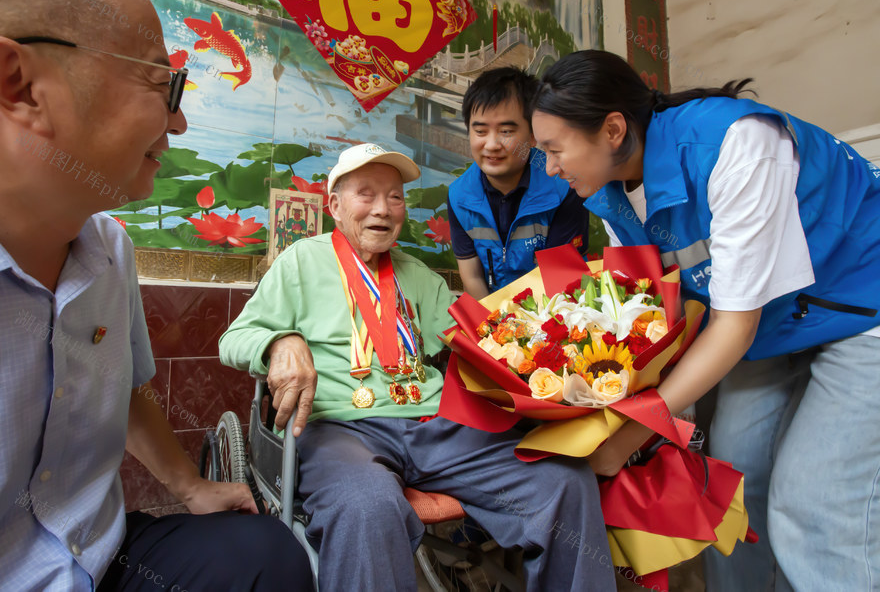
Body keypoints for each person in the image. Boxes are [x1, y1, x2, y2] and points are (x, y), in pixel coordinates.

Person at [0, 0, 313, 590]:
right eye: (163, 87)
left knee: (263, 554)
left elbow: (124, 384)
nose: (179, 124)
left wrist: (187, 483)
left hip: (95, 556)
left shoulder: (106, 246)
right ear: (18, 83)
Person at [529, 49, 880, 591]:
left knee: (814, 502)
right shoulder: (609, 193)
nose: (550, 168)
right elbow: (663, 313)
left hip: (861, 307)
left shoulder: (736, 145)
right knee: (733, 484)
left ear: (614, 129)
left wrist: (626, 439)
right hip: (775, 326)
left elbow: (733, 326)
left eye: (554, 150)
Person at [220, 142, 614, 592]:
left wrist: (553, 346)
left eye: (395, 197)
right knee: (365, 504)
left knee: (563, 481)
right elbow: (233, 339)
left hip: (435, 426)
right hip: (342, 429)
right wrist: (280, 341)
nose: (383, 210)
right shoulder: (300, 262)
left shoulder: (418, 273)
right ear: (334, 205)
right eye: (365, 194)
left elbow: (477, 333)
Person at [448, 66, 589, 299]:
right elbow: (472, 276)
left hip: (556, 309)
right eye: (481, 131)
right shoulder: (458, 196)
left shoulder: (564, 185)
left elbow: (561, 276)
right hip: (495, 318)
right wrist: (492, 328)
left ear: (534, 134)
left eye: (505, 131)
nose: (492, 144)